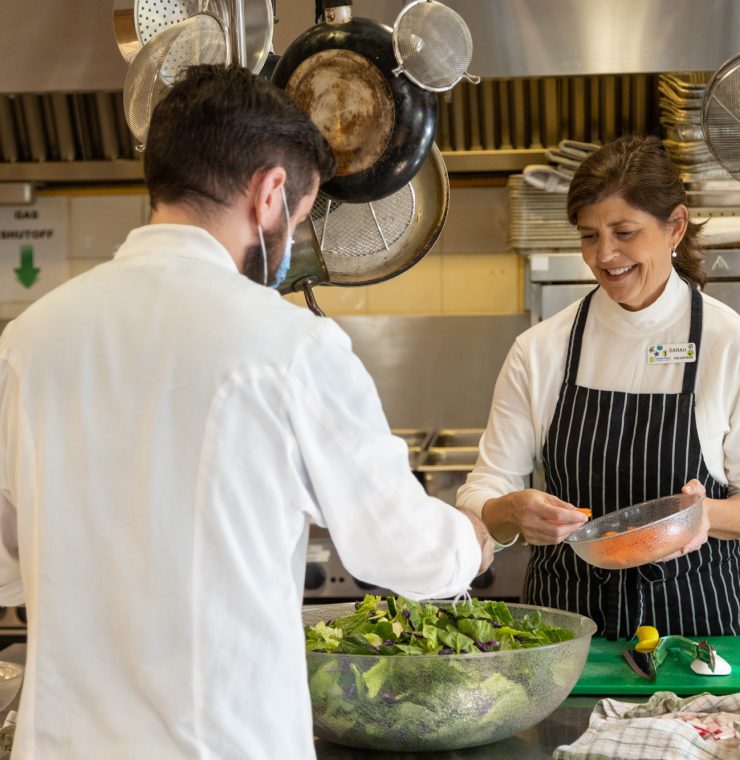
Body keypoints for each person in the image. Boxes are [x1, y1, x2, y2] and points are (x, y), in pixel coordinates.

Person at [0, 65, 494, 759]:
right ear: (269, 193)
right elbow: (402, 548)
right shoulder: (290, 345)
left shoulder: (29, 339)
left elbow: (5, 562)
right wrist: (475, 538)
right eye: (297, 218)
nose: (290, 241)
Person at [458, 134, 740, 641]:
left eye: (624, 232)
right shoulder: (540, 349)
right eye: (589, 236)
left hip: (699, 637)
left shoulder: (729, 344)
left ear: (675, 226)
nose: (604, 255)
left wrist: (705, 516)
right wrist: (509, 512)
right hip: (566, 637)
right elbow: (485, 489)